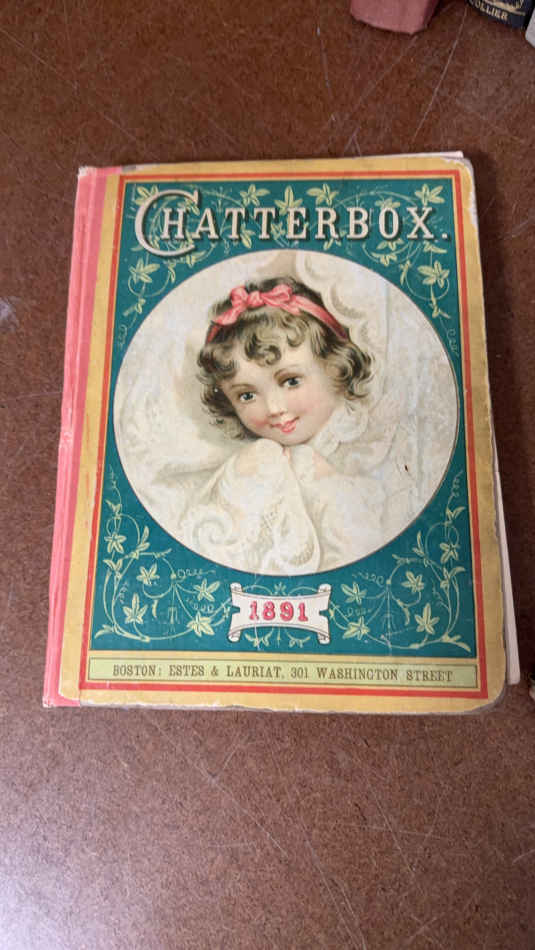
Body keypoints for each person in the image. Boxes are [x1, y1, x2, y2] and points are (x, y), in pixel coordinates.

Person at [177, 277, 385, 574]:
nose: (274, 408)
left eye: (290, 381)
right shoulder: (257, 464)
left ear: (334, 366)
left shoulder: (371, 449)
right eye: (247, 395)